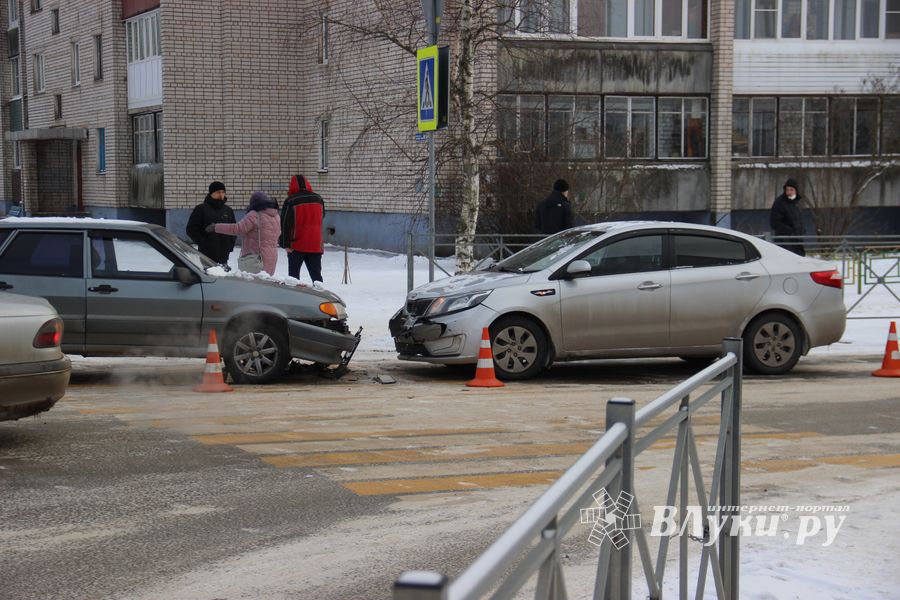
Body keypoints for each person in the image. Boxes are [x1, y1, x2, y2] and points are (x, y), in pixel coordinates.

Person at [209, 191, 281, 275]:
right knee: (266, 283)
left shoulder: (254, 215)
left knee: (252, 285)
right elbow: (278, 233)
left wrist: (216, 227)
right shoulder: (276, 216)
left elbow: (238, 229)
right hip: (272, 257)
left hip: (256, 258)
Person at [280, 174, 325, 285]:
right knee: (316, 277)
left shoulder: (291, 200)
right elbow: (322, 216)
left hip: (297, 245)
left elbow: (285, 223)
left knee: (293, 277)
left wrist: (285, 244)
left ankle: (294, 299)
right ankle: (321, 298)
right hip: (315, 245)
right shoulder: (318, 199)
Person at [186, 181, 237, 265]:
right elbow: (191, 230)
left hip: (224, 255)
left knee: (223, 277)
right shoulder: (201, 209)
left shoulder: (228, 210)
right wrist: (204, 242)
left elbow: (234, 230)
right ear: (211, 193)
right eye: (218, 192)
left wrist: (230, 245)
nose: (221, 194)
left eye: (223, 192)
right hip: (206, 256)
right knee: (209, 277)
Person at [770, 178, 806, 256]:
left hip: (797, 240)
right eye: (787, 190)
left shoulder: (796, 203)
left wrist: (802, 231)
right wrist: (790, 232)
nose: (789, 192)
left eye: (791, 190)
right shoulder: (780, 203)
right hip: (785, 242)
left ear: (796, 190)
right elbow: (775, 222)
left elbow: (798, 220)